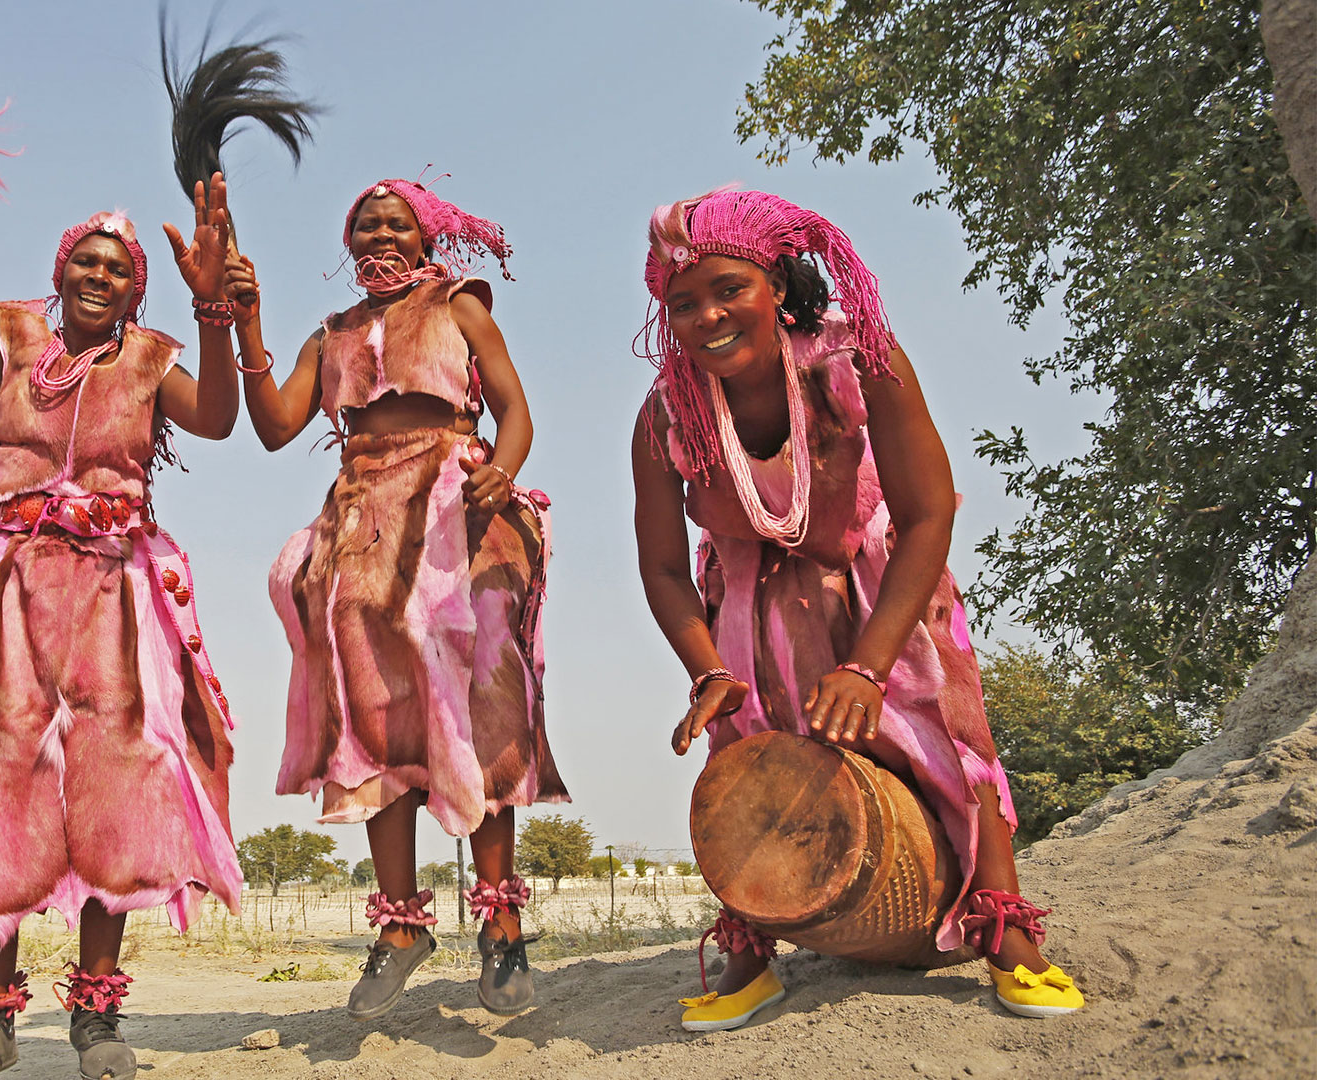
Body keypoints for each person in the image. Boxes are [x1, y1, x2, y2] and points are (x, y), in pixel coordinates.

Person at [0, 55, 246, 1080]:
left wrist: (213, 315)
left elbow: (226, 421)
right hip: (11, 589)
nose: (100, 273)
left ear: (136, 288)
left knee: (115, 784)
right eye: (85, 260)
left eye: (119, 266)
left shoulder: (153, 364)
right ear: (58, 272)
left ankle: (98, 1016)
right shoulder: (6, 343)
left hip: (115, 588)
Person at [630, 188, 1086, 1031]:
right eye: (683, 303)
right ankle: (750, 949)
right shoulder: (669, 414)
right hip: (750, 611)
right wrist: (710, 669)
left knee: (944, 733)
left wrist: (872, 665)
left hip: (882, 589)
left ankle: (1006, 931)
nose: (709, 316)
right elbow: (660, 566)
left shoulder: (860, 362)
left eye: (730, 289)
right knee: (748, 751)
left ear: (777, 282)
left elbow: (928, 516)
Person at [225, 177, 566, 1019]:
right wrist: (249, 323)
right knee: (374, 712)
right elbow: (274, 426)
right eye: (366, 224)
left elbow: (517, 410)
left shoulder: (460, 307)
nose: (381, 233)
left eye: (396, 222)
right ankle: (402, 927)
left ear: (425, 236)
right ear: (349, 244)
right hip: (364, 519)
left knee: (483, 704)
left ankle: (501, 921)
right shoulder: (331, 334)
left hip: (459, 505)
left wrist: (502, 469)